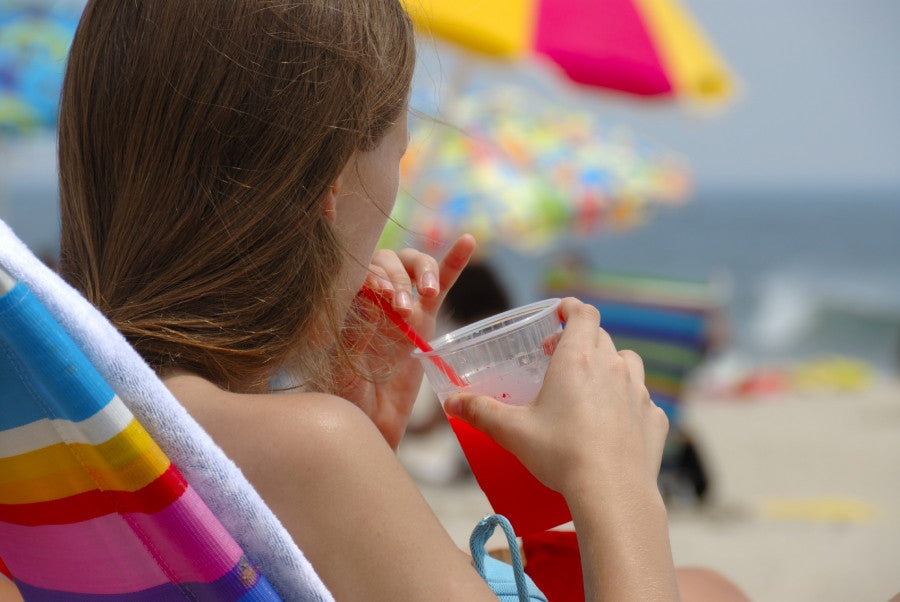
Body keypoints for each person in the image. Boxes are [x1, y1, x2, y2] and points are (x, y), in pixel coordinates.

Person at [42, 1, 748, 600]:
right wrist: (615, 482)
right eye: (397, 152)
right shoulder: (312, 449)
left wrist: (361, 438)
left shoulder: (45, 403)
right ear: (331, 183)